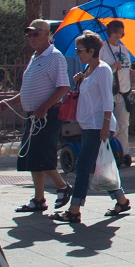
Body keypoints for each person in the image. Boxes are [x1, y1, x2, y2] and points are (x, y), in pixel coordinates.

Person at [56, 31, 116, 227]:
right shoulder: (88, 71)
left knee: (82, 166)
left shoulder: (103, 70)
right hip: (88, 124)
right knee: (103, 166)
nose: (77, 53)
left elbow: (108, 99)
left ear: (92, 51)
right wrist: (80, 80)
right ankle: (122, 201)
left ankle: (74, 209)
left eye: (80, 50)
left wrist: (106, 125)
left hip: (99, 126)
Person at [16, 19, 74, 214]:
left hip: (48, 114)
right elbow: (29, 88)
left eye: (36, 34)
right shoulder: (35, 56)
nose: (31, 38)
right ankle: (39, 198)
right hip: (34, 115)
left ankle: (62, 186)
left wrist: (45, 107)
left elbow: (64, 87)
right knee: (33, 158)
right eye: (29, 34)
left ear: (47, 35)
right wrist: (11, 101)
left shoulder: (55, 57)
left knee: (40, 155)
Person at [97, 19, 135, 167]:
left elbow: (126, 66)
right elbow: (97, 69)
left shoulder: (123, 49)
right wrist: (112, 66)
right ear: (109, 32)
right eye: (115, 31)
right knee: (112, 126)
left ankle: (124, 154)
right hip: (109, 92)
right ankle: (108, 152)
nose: (118, 35)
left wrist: (131, 71)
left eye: (120, 32)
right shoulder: (102, 48)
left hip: (124, 91)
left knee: (123, 124)